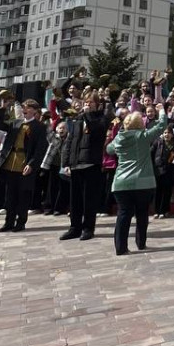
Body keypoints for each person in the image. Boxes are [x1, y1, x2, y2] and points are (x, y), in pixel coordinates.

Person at [106, 111, 166, 255]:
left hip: (121, 182)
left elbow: (109, 150)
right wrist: (162, 111)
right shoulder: (142, 136)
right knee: (142, 213)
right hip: (143, 183)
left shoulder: (119, 138)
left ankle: (120, 248)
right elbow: (161, 126)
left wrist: (121, 132)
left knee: (123, 214)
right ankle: (141, 243)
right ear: (140, 125)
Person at [0, 95, 47, 233]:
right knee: (10, 194)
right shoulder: (16, 123)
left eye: (28, 107)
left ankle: (21, 222)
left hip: (25, 162)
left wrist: (32, 164)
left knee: (23, 194)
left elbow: (40, 148)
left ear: (35, 111)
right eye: (24, 107)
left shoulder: (39, 126)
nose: (25, 109)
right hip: (11, 161)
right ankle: (8, 222)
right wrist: (2, 108)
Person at [59, 95, 108, 242]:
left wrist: (87, 114)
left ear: (97, 105)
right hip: (75, 164)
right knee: (75, 200)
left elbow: (96, 130)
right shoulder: (77, 120)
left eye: (90, 102)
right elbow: (70, 141)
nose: (87, 104)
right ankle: (74, 227)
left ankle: (88, 228)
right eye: (85, 102)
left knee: (89, 199)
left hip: (90, 163)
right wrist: (66, 163)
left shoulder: (100, 118)